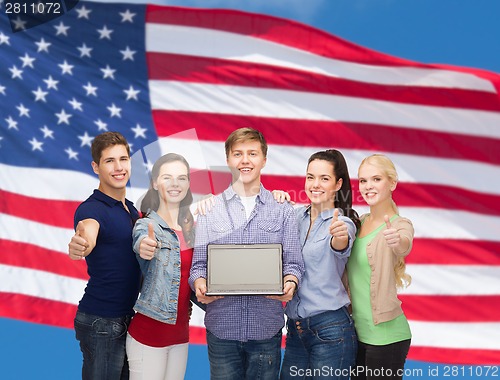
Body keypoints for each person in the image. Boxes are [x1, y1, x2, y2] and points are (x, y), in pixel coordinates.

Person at [189, 127, 305, 380]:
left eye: (252, 153)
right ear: (228, 159)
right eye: (238, 154)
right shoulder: (210, 209)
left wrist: (290, 282)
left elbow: (294, 263)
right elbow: (198, 266)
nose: (245, 160)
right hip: (222, 330)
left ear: (264, 159)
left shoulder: (282, 209)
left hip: (266, 328)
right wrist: (199, 284)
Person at [279, 149, 359, 380]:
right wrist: (275, 197)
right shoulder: (294, 217)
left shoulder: (343, 223)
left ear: (337, 184)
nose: (315, 184)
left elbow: (341, 244)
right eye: (310, 177)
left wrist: (339, 236)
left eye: (324, 178)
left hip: (331, 330)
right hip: (295, 330)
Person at [68, 131, 142, 380]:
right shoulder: (92, 209)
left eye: (123, 159)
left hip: (126, 319)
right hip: (102, 321)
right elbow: (87, 232)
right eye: (110, 161)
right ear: (96, 167)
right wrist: (82, 244)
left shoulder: (131, 210)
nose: (118, 167)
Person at [126, 153, 195, 380]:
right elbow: (141, 241)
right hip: (149, 337)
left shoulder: (190, 229)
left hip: (180, 337)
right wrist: (145, 246)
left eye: (181, 178)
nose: (175, 184)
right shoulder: (147, 225)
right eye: (167, 177)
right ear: (155, 183)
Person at [347, 154, 414, 380]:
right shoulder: (359, 222)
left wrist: (398, 241)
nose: (368, 186)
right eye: (363, 181)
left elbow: (404, 244)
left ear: (392, 183)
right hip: (357, 334)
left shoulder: (399, 225)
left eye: (376, 179)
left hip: (388, 337)